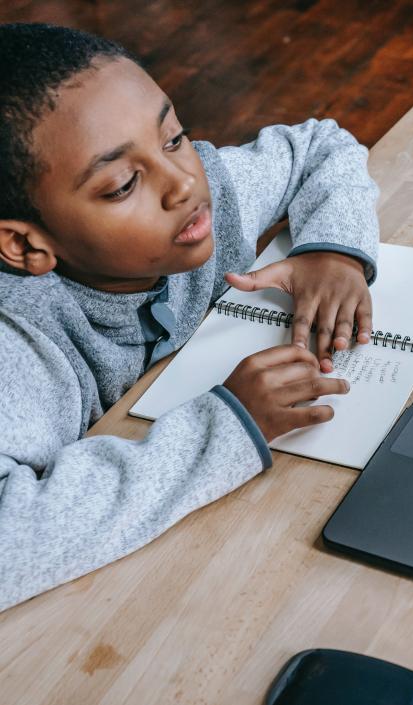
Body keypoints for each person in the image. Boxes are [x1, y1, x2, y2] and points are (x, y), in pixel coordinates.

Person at [0, 23, 379, 611]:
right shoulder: (19, 343)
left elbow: (320, 145)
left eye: (173, 136)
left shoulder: (206, 198)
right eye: (124, 183)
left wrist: (332, 251)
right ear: (27, 247)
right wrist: (226, 426)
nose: (184, 182)